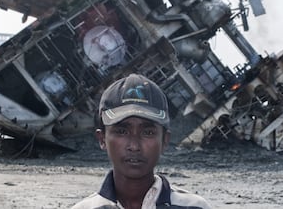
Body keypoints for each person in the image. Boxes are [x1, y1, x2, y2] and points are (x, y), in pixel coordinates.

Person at [72, 73, 212, 209]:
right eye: (122, 131)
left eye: (148, 132)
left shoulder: (194, 207)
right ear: (102, 139)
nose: (134, 146)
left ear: (165, 140)